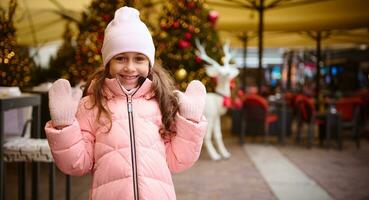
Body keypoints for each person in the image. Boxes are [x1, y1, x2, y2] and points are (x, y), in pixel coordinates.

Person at [45, 6, 207, 200]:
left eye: (139, 59)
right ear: (108, 63)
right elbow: (78, 164)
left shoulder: (163, 103)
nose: (130, 67)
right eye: (120, 58)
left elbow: (178, 161)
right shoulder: (91, 106)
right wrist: (63, 125)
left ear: (149, 64)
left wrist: (190, 121)